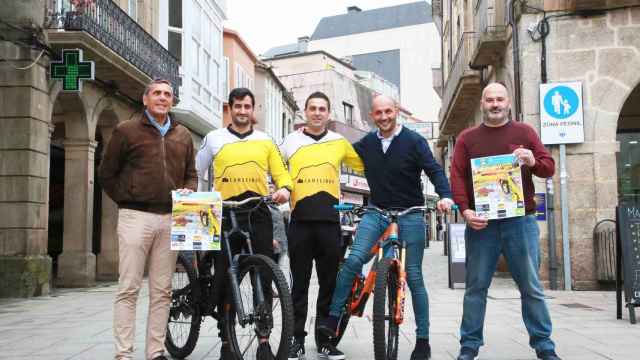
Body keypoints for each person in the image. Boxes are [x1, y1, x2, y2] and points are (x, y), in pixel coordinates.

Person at [318, 95, 454, 360]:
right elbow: (336, 153)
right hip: (376, 213)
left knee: (414, 276)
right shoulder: (367, 144)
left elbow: (434, 170)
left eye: (388, 111)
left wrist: (445, 195)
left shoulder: (414, 141)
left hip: (411, 215)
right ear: (372, 115)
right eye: (378, 113)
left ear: (396, 112)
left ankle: (423, 341)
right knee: (354, 259)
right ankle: (333, 319)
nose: (384, 117)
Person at [449, 82, 560, 360]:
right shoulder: (467, 138)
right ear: (482, 104)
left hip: (520, 223)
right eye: (490, 100)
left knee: (531, 287)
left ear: (508, 103)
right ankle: (469, 346)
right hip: (482, 224)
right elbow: (458, 176)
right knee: (475, 288)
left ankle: (545, 347)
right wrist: (465, 210)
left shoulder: (525, 132)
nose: (495, 104)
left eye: (500, 99)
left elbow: (548, 168)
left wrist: (533, 160)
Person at [99, 79, 198, 360]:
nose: (162, 98)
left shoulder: (183, 134)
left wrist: (189, 189)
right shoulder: (126, 130)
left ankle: (155, 352)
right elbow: (107, 173)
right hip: (135, 217)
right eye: (157, 93)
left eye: (167, 94)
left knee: (162, 291)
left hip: (171, 219)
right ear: (145, 99)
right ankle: (123, 353)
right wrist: (127, 198)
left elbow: (191, 173)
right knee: (129, 287)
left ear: (172, 101)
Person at [195, 87, 292, 360]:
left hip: (257, 210)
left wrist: (284, 188)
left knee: (262, 272)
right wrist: (195, 195)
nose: (242, 111)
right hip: (224, 211)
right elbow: (197, 171)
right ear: (230, 108)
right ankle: (226, 340)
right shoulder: (213, 138)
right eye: (237, 106)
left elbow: (282, 174)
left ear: (252, 109)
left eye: (247, 106)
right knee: (226, 274)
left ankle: (264, 341)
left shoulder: (265, 140)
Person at [279, 91, 365, 360]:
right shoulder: (289, 142)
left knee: (329, 284)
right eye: (313, 108)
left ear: (329, 114)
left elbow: (365, 165)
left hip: (330, 224)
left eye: (322, 109)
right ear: (305, 111)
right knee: (299, 286)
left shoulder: (339, 142)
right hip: (300, 224)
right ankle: (296, 340)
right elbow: (274, 168)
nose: (317, 112)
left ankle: (325, 340)